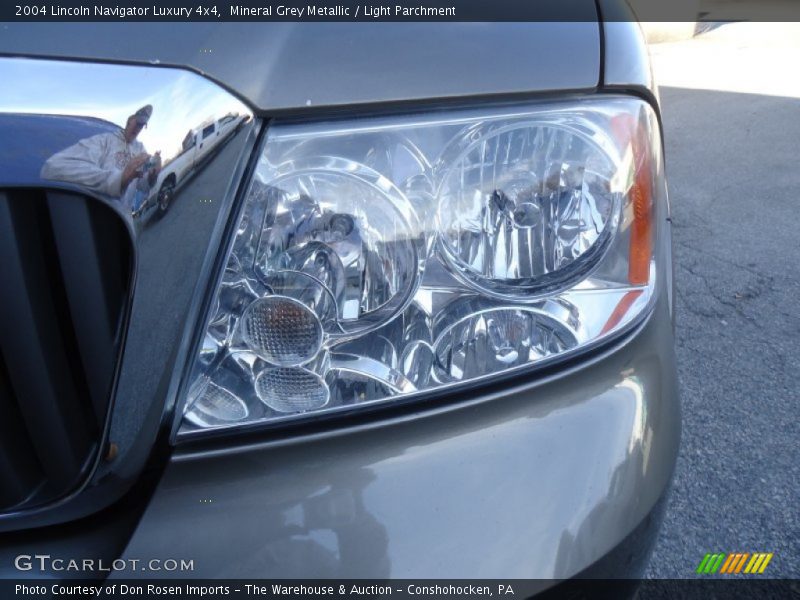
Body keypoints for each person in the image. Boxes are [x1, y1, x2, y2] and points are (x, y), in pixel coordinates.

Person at [41, 105, 161, 213]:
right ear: (129, 121)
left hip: (123, 222)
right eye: (137, 123)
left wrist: (152, 176)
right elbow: (52, 167)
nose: (138, 128)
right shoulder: (105, 141)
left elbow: (142, 186)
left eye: (141, 125)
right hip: (97, 216)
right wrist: (118, 180)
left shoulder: (141, 150)